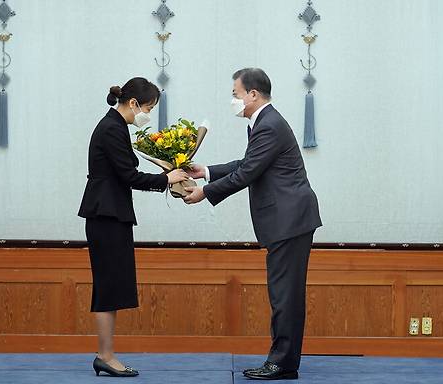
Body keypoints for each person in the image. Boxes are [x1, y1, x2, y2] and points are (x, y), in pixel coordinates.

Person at [184, 68, 322, 380]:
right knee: (282, 293)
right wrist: (205, 171)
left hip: (290, 220)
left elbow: (247, 174)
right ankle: (283, 360)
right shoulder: (264, 123)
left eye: (236, 94)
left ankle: (282, 363)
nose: (233, 100)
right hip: (287, 220)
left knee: (285, 294)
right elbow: (248, 164)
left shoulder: (268, 125)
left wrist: (205, 192)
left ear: (253, 94)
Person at [78, 77, 188, 377]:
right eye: (148, 108)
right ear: (133, 104)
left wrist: (168, 173)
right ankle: (105, 355)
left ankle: (107, 354)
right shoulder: (112, 128)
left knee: (110, 288)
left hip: (111, 215)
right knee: (107, 288)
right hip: (106, 215)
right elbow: (129, 176)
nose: (148, 115)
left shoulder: (115, 126)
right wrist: (167, 179)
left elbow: (126, 173)